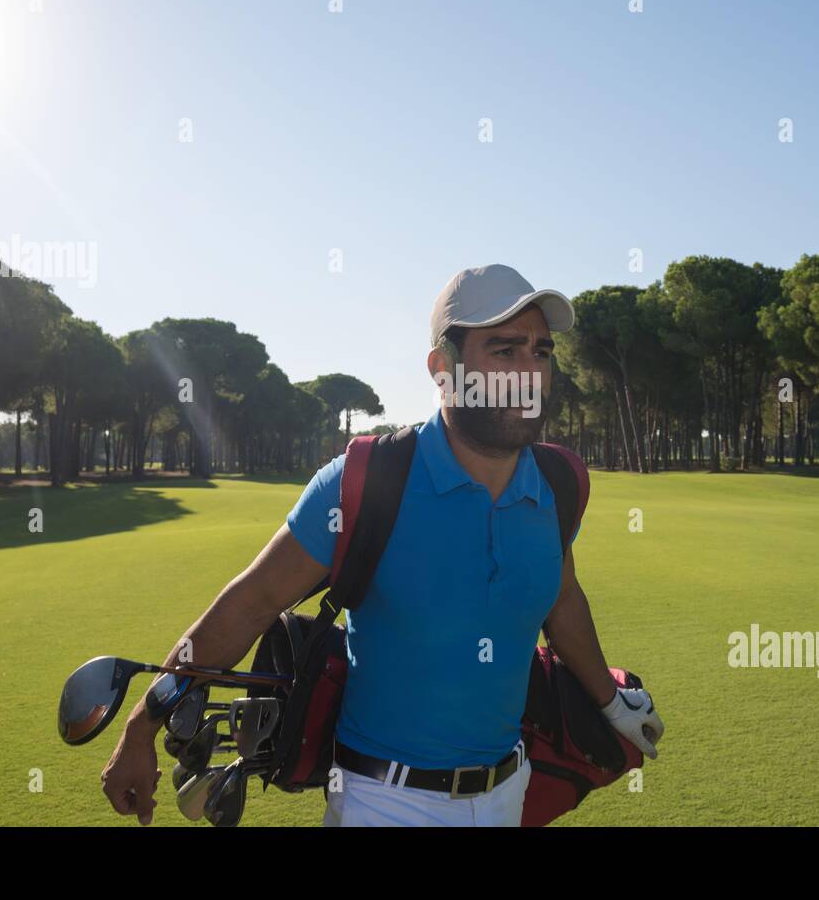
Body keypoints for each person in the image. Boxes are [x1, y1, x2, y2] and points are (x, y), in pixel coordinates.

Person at [99, 263, 664, 826]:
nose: (529, 373)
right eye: (504, 350)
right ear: (443, 370)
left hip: (510, 792)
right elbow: (250, 603)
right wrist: (143, 723)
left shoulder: (558, 484)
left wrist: (612, 704)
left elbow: (561, 598)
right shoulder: (361, 483)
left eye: (540, 353)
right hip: (382, 802)